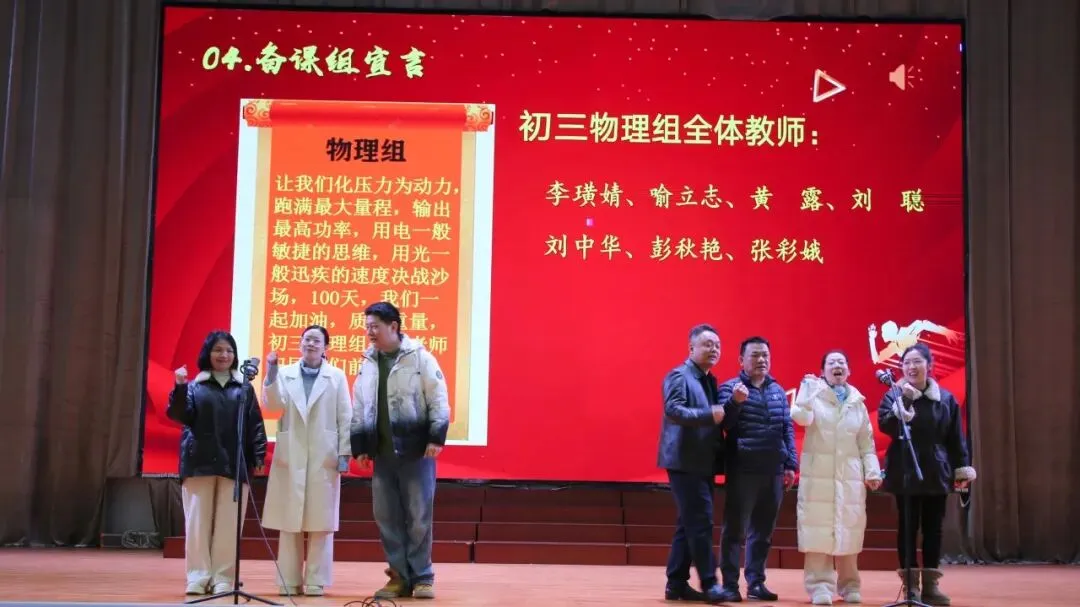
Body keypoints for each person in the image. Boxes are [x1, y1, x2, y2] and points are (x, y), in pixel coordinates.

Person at [350, 301, 450, 600]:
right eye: (367, 327)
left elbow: (438, 398)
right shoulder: (368, 361)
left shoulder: (420, 358)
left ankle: (422, 577)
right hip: (382, 453)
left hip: (416, 451)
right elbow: (360, 405)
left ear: (393, 326)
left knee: (418, 516)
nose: (370, 332)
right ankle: (398, 577)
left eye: (375, 326)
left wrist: (436, 437)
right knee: (387, 517)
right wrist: (361, 445)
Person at [168, 330, 267, 596]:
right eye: (218, 350)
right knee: (197, 524)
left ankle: (224, 577)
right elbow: (179, 415)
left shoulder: (243, 388)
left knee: (229, 525)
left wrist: (259, 455)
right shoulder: (194, 386)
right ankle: (198, 577)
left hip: (234, 463)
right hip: (198, 462)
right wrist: (179, 386)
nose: (224, 355)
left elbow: (255, 424)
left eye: (229, 351)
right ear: (207, 354)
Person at [878, 343, 976, 606]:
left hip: (935, 470)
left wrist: (961, 473)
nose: (911, 367)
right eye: (907, 363)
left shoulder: (945, 399)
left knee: (934, 529)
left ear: (929, 366)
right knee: (907, 528)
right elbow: (887, 426)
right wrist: (906, 400)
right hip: (904, 470)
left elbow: (955, 440)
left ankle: (932, 586)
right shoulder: (894, 395)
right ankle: (911, 587)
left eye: (917, 361)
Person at [261, 325, 352, 596]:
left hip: (325, 455)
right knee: (290, 520)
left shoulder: (336, 376)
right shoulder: (285, 374)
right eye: (307, 339)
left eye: (316, 340)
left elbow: (345, 416)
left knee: (321, 522)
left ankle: (316, 579)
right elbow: (272, 407)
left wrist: (344, 453)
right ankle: (288, 579)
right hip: (292, 453)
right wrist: (271, 373)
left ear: (326, 347)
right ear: (300, 343)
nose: (311, 344)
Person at [792, 351, 883, 605]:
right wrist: (806, 391)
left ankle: (849, 585)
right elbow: (800, 417)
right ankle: (819, 586)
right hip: (818, 478)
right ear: (823, 372)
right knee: (818, 533)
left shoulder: (857, 402)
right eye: (831, 363)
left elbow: (866, 443)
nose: (837, 366)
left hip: (849, 479)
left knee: (849, 532)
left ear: (849, 371)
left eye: (841, 362)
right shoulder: (814, 395)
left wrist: (872, 471)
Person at [715, 336, 797, 602]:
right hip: (743, 469)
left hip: (773, 470)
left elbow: (787, 429)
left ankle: (756, 583)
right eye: (755, 355)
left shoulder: (778, 391)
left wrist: (790, 464)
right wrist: (736, 402)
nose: (762, 360)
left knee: (763, 532)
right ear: (741, 360)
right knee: (735, 531)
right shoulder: (730, 388)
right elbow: (724, 425)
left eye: (765, 355)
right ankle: (730, 585)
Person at [656, 324, 727, 603]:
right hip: (684, 460)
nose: (714, 349)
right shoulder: (679, 375)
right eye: (708, 344)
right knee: (700, 522)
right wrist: (709, 414)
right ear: (691, 348)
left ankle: (676, 584)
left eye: (717, 345)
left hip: (703, 461)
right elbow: (673, 410)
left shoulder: (708, 379)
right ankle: (710, 583)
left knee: (688, 524)